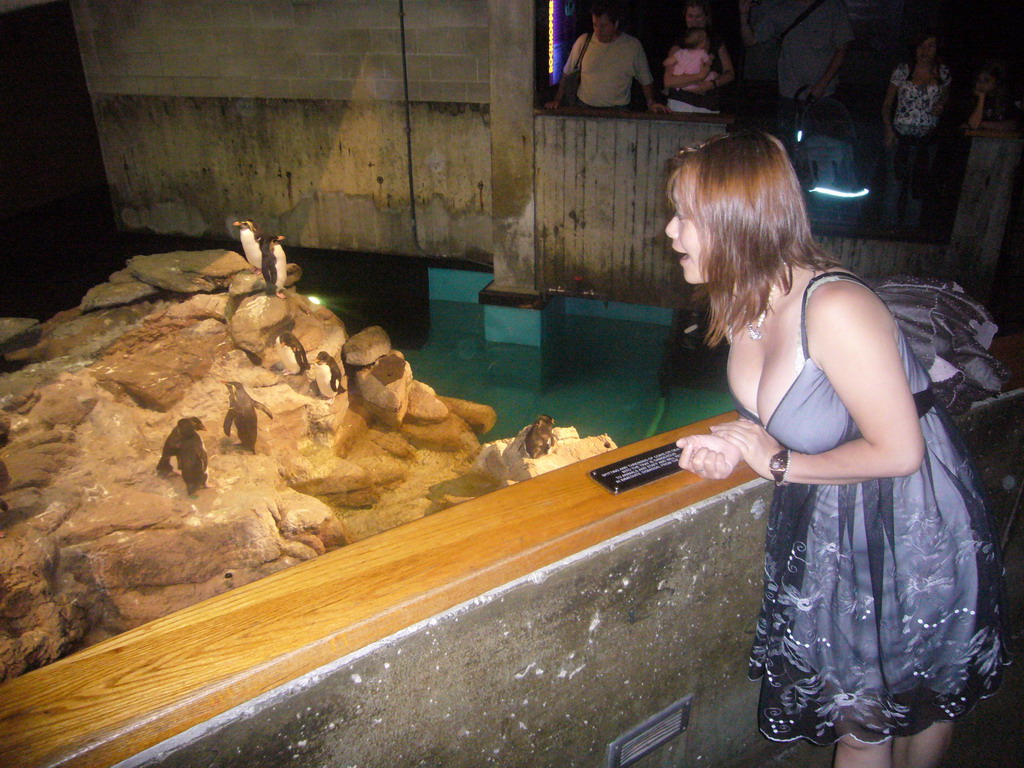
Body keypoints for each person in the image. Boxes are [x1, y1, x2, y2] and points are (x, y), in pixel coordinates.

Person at [665, 131, 1006, 768]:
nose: (671, 231)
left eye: (686, 216)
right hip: (832, 518)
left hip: (911, 520)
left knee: (913, 701)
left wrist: (780, 464)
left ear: (738, 223)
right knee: (861, 715)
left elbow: (902, 451)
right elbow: (775, 410)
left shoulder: (837, 307)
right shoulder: (742, 298)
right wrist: (731, 445)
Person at [738, 0, 854, 140]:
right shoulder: (781, 8)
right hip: (790, 94)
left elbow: (843, 47)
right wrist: (743, 15)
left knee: (821, 142)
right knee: (789, 140)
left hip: (823, 94)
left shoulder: (832, 6)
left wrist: (822, 85)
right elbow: (750, 40)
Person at [880, 32, 950, 229]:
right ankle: (888, 233)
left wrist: (941, 105)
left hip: (926, 141)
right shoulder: (904, 71)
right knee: (893, 189)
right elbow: (887, 104)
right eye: (922, 46)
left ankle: (910, 235)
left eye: (931, 46)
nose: (925, 51)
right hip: (899, 137)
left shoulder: (942, 72)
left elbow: (946, 96)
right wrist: (888, 130)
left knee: (917, 191)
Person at [545, 1, 667, 113]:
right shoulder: (583, 42)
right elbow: (566, 74)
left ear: (616, 24)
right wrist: (557, 100)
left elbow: (645, 80)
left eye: (603, 26)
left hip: (618, 110)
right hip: (584, 108)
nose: (598, 30)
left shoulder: (632, 46)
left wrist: (651, 103)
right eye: (595, 25)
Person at [663, 1, 736, 114]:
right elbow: (668, 81)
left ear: (706, 17)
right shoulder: (679, 44)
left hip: (709, 106)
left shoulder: (716, 41)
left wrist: (712, 84)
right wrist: (699, 76)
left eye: (698, 16)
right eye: (690, 16)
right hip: (681, 104)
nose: (694, 21)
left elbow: (730, 73)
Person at [966, 58, 1020, 132]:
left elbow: (1013, 124)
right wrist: (981, 98)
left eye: (986, 80)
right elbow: (973, 124)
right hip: (980, 140)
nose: (981, 84)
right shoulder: (975, 98)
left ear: (997, 81)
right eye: (978, 80)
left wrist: (983, 124)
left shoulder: (1008, 98)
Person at [663, 28, 717, 93]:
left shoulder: (681, 52)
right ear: (701, 43)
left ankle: (667, 90)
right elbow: (708, 63)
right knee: (714, 75)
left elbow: (668, 62)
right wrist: (711, 58)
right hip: (694, 83)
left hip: (681, 81)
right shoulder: (702, 53)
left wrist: (665, 63)